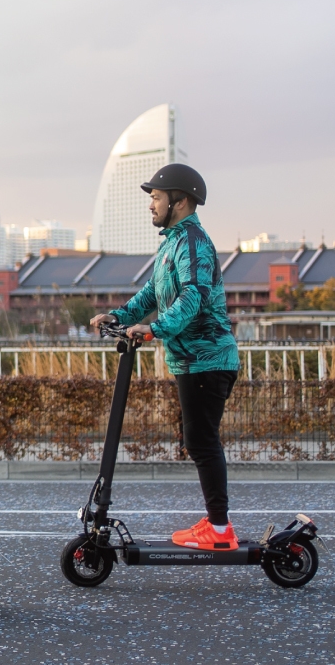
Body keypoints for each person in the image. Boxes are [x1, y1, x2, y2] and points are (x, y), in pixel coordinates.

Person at [90, 163, 240, 550]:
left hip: (208, 358)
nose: (151, 204)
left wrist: (155, 329)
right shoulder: (173, 242)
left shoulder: (193, 242)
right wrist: (119, 317)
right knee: (198, 440)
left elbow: (194, 296)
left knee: (202, 441)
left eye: (156, 197)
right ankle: (216, 522)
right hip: (193, 360)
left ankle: (219, 529)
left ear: (180, 200)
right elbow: (153, 294)